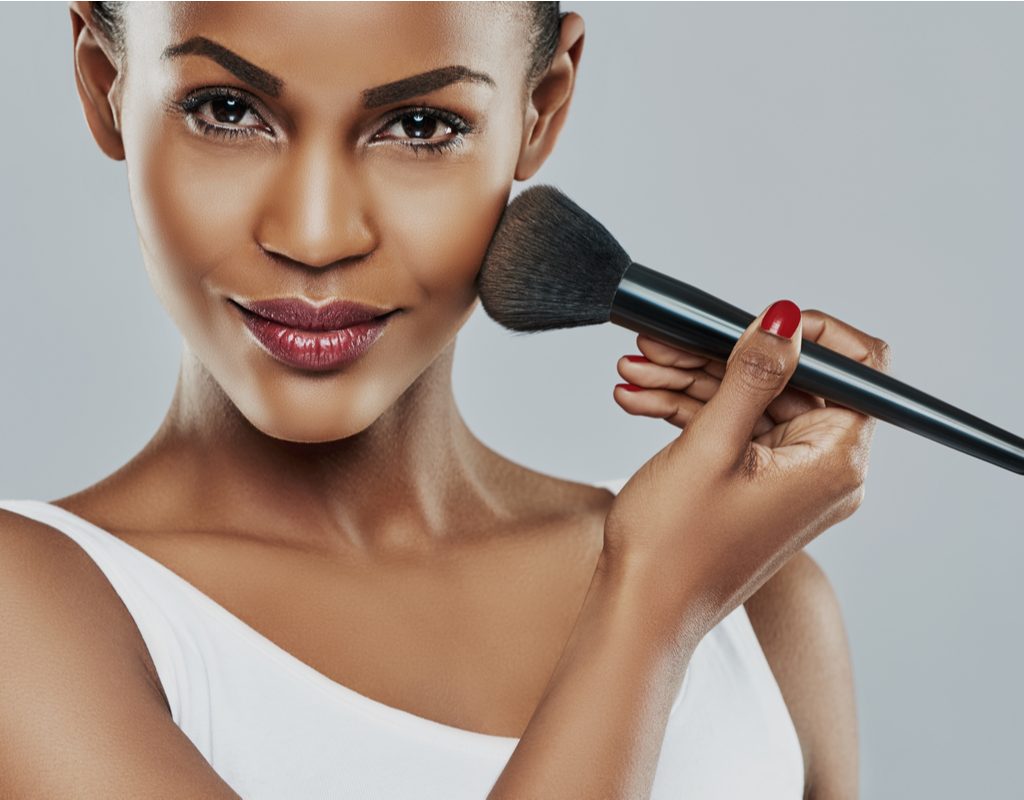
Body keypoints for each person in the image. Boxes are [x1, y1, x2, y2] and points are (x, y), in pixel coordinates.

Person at [0, 2, 888, 798]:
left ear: (541, 105)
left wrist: (678, 584)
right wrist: (650, 604)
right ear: (104, 82)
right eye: (227, 111)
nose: (316, 234)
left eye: (420, 125)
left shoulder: (762, 610)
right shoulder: (26, 618)